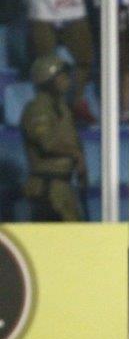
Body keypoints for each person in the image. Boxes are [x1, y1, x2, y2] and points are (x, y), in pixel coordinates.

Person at [21, 54, 87, 222]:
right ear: (48, 80)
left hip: (63, 186)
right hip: (47, 189)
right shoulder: (37, 109)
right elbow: (47, 143)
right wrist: (76, 154)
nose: (67, 81)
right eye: (62, 77)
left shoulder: (62, 107)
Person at [26, 0, 95, 124]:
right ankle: (49, 108)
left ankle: (77, 102)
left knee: (85, 59)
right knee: (44, 64)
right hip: (41, 9)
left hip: (74, 7)